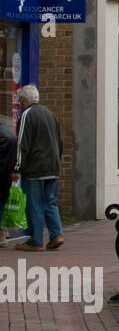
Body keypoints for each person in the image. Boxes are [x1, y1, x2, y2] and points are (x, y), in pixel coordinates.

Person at [13, 85, 64, 252]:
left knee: (34, 204)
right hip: (53, 167)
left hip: (35, 168)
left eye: (21, 101)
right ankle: (56, 234)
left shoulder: (27, 115)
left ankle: (35, 241)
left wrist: (17, 167)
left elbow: (22, 144)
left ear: (25, 100)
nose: (20, 104)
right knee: (50, 202)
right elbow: (60, 142)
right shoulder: (51, 114)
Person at [0, 117, 22, 246]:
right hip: (6, 176)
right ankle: (3, 233)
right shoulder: (9, 134)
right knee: (2, 203)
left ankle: (2, 234)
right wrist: (14, 170)